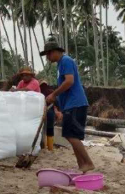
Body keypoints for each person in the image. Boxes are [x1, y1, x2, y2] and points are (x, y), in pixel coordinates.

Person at [41, 37, 95, 173]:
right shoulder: (60, 64)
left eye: (48, 54)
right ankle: (82, 166)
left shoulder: (66, 61)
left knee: (71, 135)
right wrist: (57, 101)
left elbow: (69, 81)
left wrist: (54, 94)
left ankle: (88, 162)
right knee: (70, 134)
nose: (47, 57)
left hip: (75, 103)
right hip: (70, 105)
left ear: (54, 52)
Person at [39, 81, 63, 151]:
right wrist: (59, 110)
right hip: (50, 113)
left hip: (42, 114)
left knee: (42, 130)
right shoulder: (52, 91)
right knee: (50, 130)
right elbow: (58, 102)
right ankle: (50, 148)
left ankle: (43, 146)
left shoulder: (39, 92)